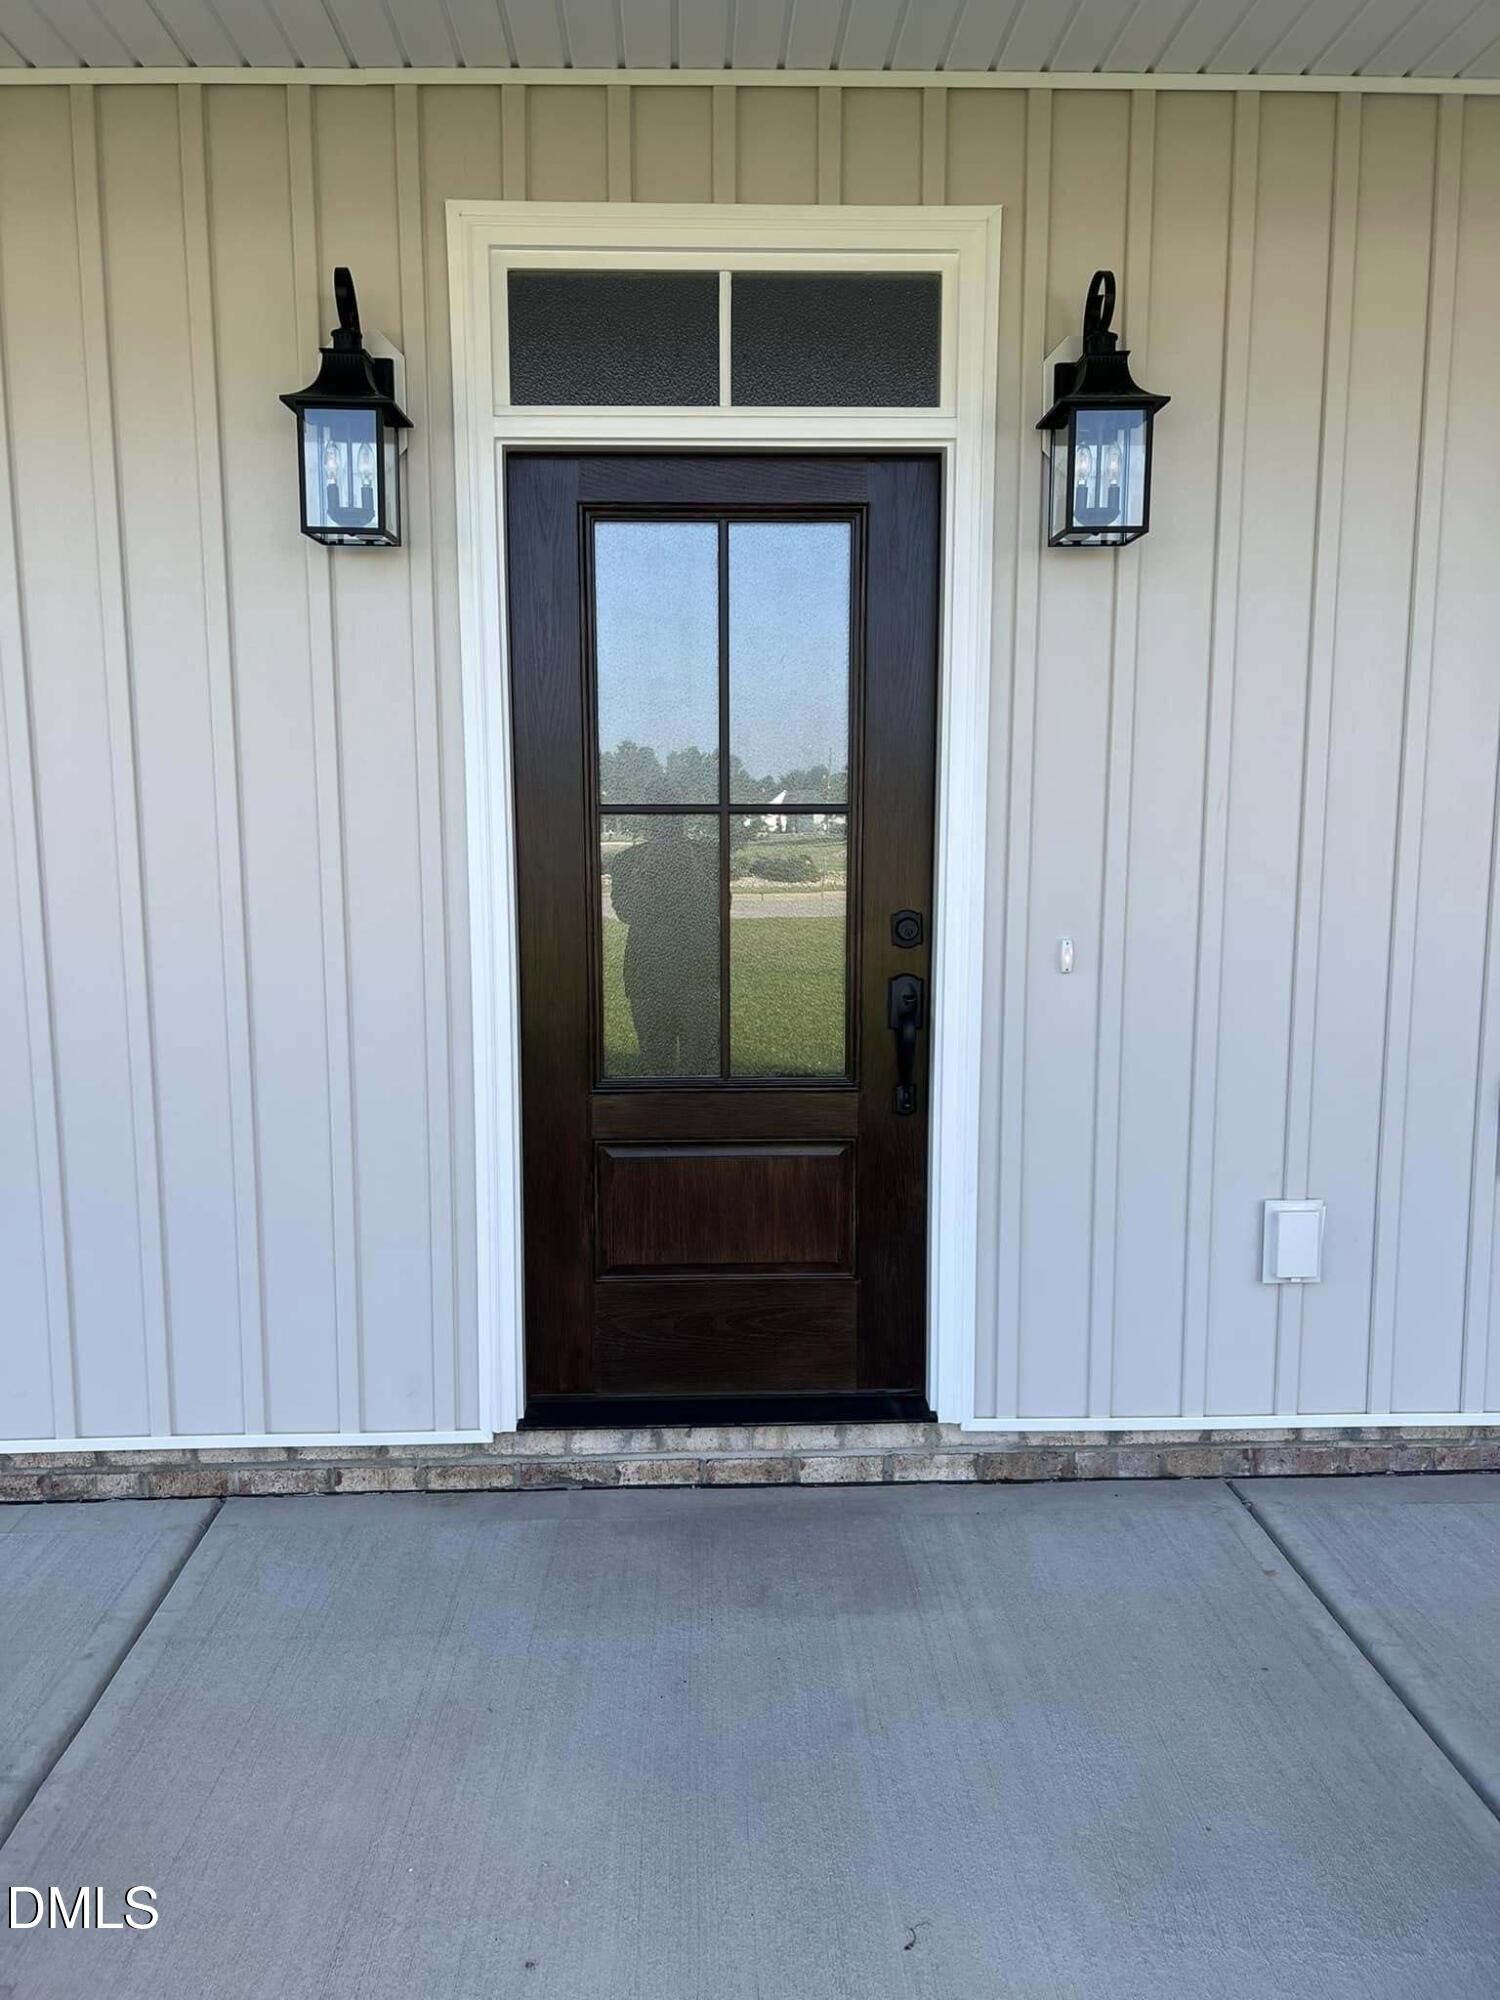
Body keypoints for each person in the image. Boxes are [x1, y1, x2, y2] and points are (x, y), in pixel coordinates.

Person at [608, 819, 718, 1075]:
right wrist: (644, 872)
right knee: (656, 1065)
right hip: (649, 975)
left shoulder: (706, 857)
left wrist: (691, 869)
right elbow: (628, 911)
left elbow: (716, 907)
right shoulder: (628, 860)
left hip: (697, 974)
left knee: (701, 1066)